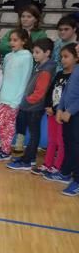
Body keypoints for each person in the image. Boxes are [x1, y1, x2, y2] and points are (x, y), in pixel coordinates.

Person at [7, 38, 56, 170]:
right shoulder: (40, 66)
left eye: (37, 52)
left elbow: (39, 93)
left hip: (34, 108)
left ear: (47, 53)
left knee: (34, 134)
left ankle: (28, 160)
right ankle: (30, 158)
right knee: (33, 133)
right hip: (31, 107)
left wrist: (25, 101)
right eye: (33, 52)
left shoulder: (46, 71)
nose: (34, 55)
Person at [0, 29, 34, 161]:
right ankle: (4, 148)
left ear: (24, 41)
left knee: (8, 124)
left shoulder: (27, 56)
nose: (11, 43)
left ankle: (6, 150)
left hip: (13, 99)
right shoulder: (8, 56)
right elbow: (3, 78)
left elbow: (25, 79)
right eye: (10, 40)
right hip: (3, 97)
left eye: (15, 40)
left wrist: (17, 100)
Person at [33, 45, 77, 175]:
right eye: (61, 57)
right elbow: (50, 91)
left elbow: (67, 97)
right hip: (52, 113)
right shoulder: (59, 74)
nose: (63, 60)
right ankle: (47, 163)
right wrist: (48, 106)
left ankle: (58, 166)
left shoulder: (74, 76)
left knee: (60, 141)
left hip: (62, 114)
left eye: (66, 57)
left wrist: (57, 109)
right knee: (51, 140)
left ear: (76, 58)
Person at [45, 43, 79, 196]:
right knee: (69, 143)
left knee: (76, 146)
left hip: (74, 114)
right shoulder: (76, 70)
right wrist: (60, 109)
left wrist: (70, 111)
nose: (77, 47)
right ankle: (65, 172)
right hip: (66, 114)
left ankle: (77, 181)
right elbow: (65, 92)